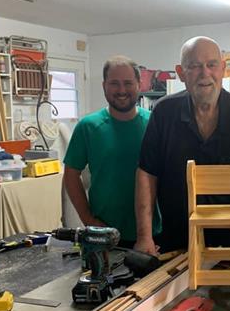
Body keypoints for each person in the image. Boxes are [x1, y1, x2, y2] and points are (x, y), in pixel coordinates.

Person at [135, 36, 230, 254]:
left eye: (211, 65)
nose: (205, 73)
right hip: (176, 242)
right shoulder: (163, 112)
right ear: (180, 73)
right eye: (194, 66)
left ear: (223, 68)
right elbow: (146, 174)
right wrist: (144, 237)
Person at [63, 55, 161, 247]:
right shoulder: (88, 127)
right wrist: (88, 220)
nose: (122, 90)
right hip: (103, 234)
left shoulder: (155, 124)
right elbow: (71, 175)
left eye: (128, 83)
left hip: (153, 232)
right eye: (114, 83)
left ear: (139, 85)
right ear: (104, 86)